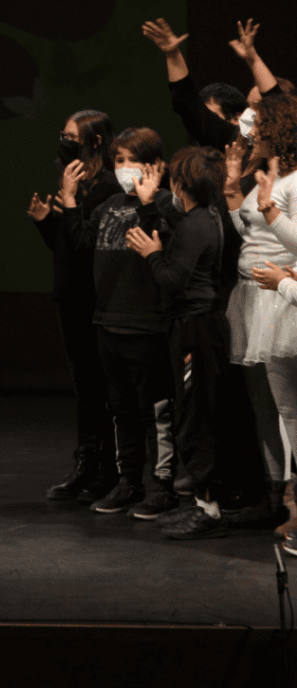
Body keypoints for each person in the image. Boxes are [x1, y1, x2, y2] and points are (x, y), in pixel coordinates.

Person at [142, 16, 289, 512]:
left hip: (282, 290)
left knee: (283, 402)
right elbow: (186, 104)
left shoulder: (283, 168)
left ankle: (281, 498)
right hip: (238, 293)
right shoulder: (234, 154)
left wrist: (251, 59)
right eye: (245, 111)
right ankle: (253, 490)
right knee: (245, 403)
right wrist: (172, 55)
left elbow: (280, 107)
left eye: (258, 111)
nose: (249, 119)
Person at [61, 128, 179, 519]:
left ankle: (164, 486)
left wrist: (149, 202)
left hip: (147, 325)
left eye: (133, 160)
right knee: (121, 411)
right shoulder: (109, 204)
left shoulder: (167, 203)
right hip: (107, 321)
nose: (125, 168)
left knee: (155, 412)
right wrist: (68, 200)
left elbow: (168, 240)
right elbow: (81, 244)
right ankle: (129, 482)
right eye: (119, 161)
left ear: (154, 165)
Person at [125, 146, 231, 539]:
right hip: (197, 328)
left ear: (182, 183)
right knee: (192, 415)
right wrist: (150, 204)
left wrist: (152, 254)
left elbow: (171, 280)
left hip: (195, 331)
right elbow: (177, 221)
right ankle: (204, 505)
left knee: (194, 421)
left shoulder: (195, 225)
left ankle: (208, 510)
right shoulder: (204, 216)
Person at [27, 111, 120, 503]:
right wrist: (49, 221)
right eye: (62, 135)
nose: (64, 142)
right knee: (84, 387)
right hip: (71, 297)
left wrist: (68, 202)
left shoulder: (107, 189)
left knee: (102, 387)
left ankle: (109, 470)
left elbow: (88, 249)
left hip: (95, 301)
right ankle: (87, 464)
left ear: (94, 141)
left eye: (71, 136)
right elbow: (67, 247)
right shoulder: (78, 181)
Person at [223, 93, 297, 533]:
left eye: (261, 128)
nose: (252, 135)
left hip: (280, 294)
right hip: (255, 290)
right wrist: (235, 189)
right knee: (264, 404)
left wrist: (288, 279)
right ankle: (275, 496)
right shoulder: (267, 175)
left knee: (288, 407)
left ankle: (291, 504)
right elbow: (249, 233)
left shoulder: (293, 180)